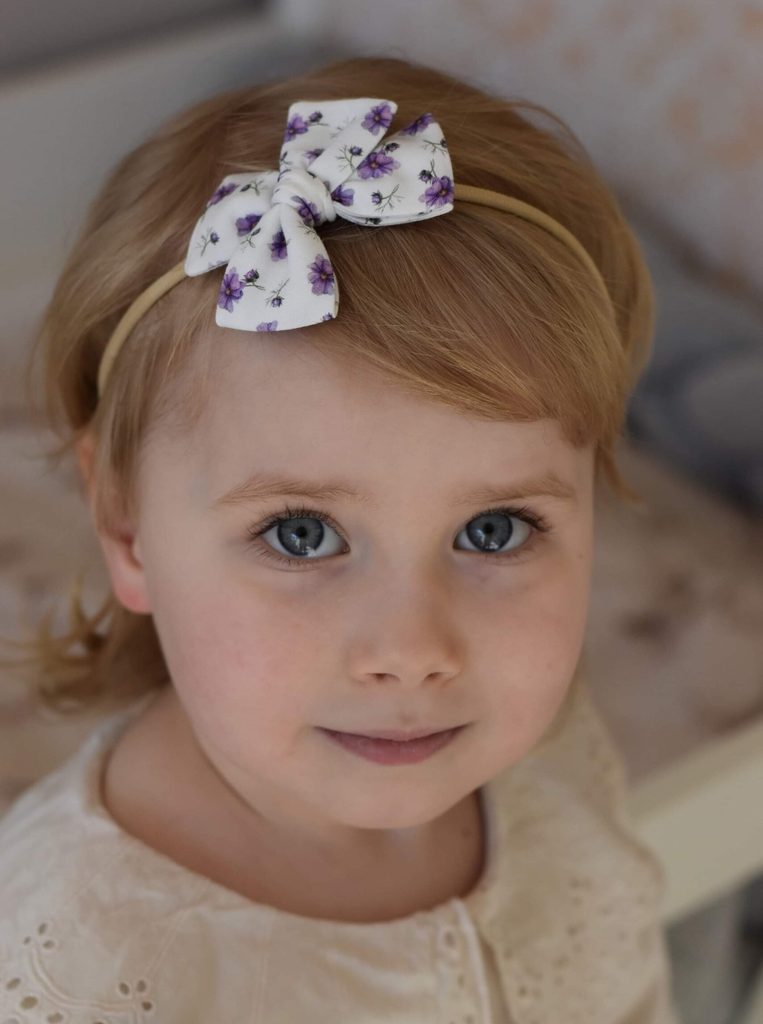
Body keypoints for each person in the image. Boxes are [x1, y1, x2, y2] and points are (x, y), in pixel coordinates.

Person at [0, 54, 683, 1022]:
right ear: (127, 527)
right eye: (300, 533)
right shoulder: (82, 966)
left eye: (493, 530)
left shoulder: (549, 754)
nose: (412, 651)